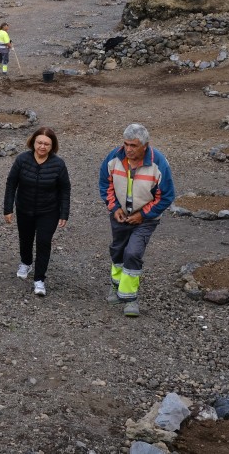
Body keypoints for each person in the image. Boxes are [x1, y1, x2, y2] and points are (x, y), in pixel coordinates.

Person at [98, 123, 175, 317]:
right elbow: (104, 183)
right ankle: (116, 287)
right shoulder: (113, 158)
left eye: (133, 145)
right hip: (120, 215)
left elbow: (166, 196)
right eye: (126, 144)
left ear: (145, 145)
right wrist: (114, 207)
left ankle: (130, 298)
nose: (129, 149)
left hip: (146, 219)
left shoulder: (159, 163)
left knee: (133, 252)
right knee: (117, 250)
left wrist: (143, 214)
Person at [3, 126, 71, 297]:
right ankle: (26, 262)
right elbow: (11, 183)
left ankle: (39, 279)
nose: (42, 147)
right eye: (39, 142)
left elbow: (65, 189)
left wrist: (64, 213)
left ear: (52, 146)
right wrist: (8, 208)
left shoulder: (58, 164)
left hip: (49, 210)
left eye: (47, 144)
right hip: (24, 208)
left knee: (43, 242)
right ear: (33, 142)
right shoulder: (22, 160)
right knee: (25, 238)